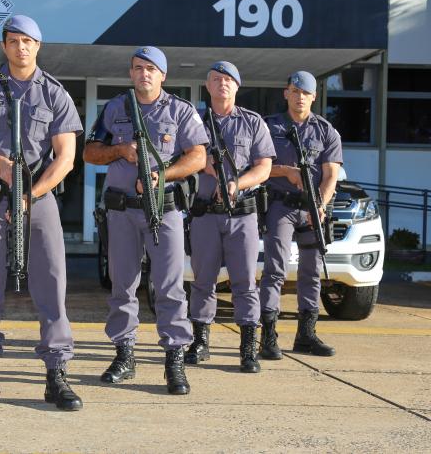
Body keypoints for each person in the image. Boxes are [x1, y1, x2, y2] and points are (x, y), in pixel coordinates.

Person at [0, 15, 84, 411]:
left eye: (28, 41)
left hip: (39, 203)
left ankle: (56, 376)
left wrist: (29, 195)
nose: (20, 47)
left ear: (38, 46)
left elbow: (66, 158)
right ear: (4, 46)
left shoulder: (56, 93)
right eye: (13, 40)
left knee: (52, 288)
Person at [83, 46, 207, 395]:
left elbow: (198, 156)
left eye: (151, 69)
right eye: (138, 68)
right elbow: (90, 153)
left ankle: (174, 360)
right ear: (131, 73)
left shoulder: (181, 111)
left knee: (169, 286)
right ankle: (125, 355)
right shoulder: (115, 108)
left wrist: (162, 175)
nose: (144, 74)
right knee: (122, 285)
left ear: (163, 75)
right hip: (121, 211)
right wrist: (120, 151)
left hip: (163, 210)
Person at [184, 62, 275, 373]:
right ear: (207, 86)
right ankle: (200, 341)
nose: (222, 84)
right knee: (202, 281)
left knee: (245, 282)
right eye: (216, 79)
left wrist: (238, 183)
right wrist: (206, 163)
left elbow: (264, 167)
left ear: (237, 86)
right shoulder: (193, 121)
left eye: (228, 80)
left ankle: (248, 348)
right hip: (205, 214)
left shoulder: (252, 122)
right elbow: (182, 158)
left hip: (242, 215)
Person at [259, 71, 342, 359]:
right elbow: (260, 167)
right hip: (280, 205)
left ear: (314, 97)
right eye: (295, 91)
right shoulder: (270, 127)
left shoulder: (325, 130)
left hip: (312, 207)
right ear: (286, 93)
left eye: (305, 93)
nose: (300, 97)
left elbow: (331, 174)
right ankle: (268, 336)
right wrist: (287, 172)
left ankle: (306, 335)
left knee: (311, 272)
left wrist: (319, 205)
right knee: (275, 270)